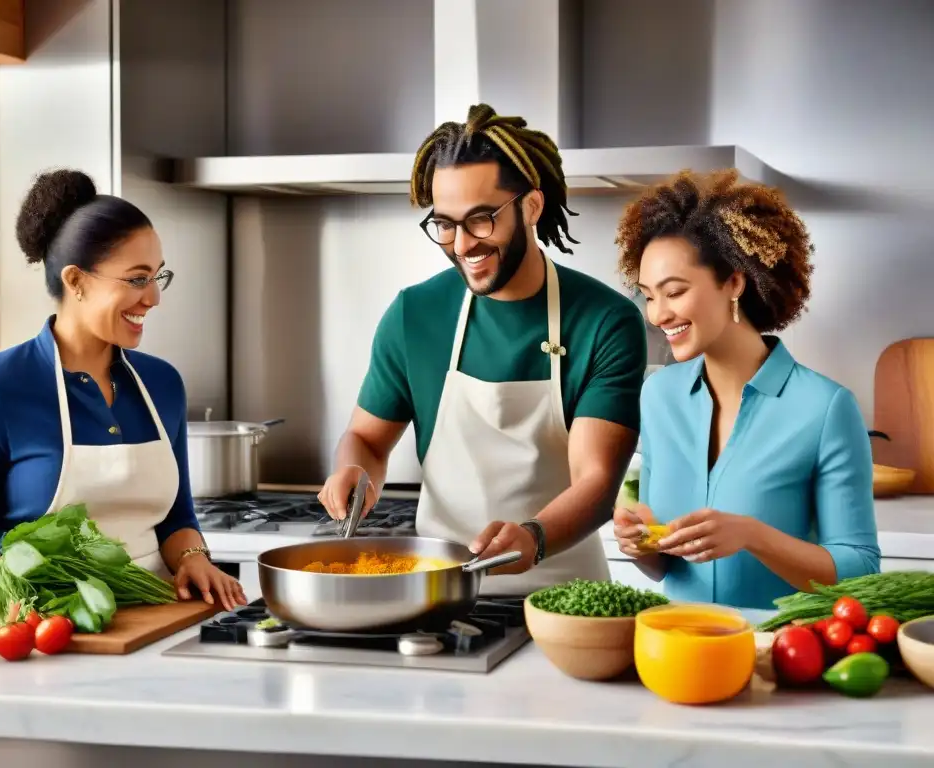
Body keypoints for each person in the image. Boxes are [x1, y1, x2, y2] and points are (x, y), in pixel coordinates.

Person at [317, 104, 647, 594]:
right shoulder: (415, 315)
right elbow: (366, 438)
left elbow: (596, 482)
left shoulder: (605, 320)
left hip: (562, 597)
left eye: (480, 220)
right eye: (445, 224)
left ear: (531, 207)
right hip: (437, 592)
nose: (462, 244)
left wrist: (532, 537)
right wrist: (352, 471)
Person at [0, 169, 245, 610]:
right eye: (136, 279)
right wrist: (36, 582)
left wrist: (193, 558)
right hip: (49, 628)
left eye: (157, 277)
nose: (153, 298)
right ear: (76, 281)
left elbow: (176, 519)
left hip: (157, 616)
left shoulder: (162, 384)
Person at [612, 169, 880, 609]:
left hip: (779, 656)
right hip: (680, 646)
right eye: (648, 295)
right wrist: (642, 544)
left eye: (674, 292)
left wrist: (752, 536)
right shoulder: (659, 397)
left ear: (734, 282)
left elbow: (860, 570)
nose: (658, 314)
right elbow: (670, 568)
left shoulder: (825, 408)